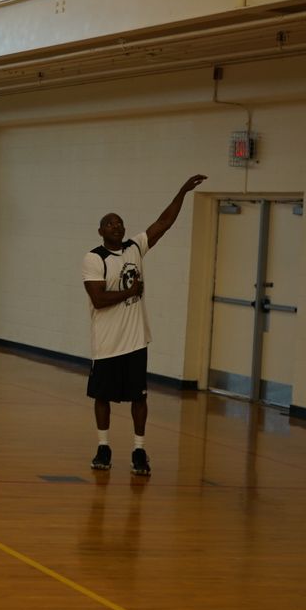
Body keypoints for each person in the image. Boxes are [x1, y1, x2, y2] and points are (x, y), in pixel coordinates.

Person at [83, 175, 206, 476]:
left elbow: (163, 222)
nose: (118, 227)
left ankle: (139, 449)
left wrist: (182, 192)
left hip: (136, 340)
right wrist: (130, 292)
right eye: (111, 223)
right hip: (108, 341)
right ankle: (103, 446)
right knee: (102, 396)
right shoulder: (93, 258)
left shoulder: (135, 248)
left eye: (121, 223)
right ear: (101, 230)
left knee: (139, 397)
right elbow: (98, 299)